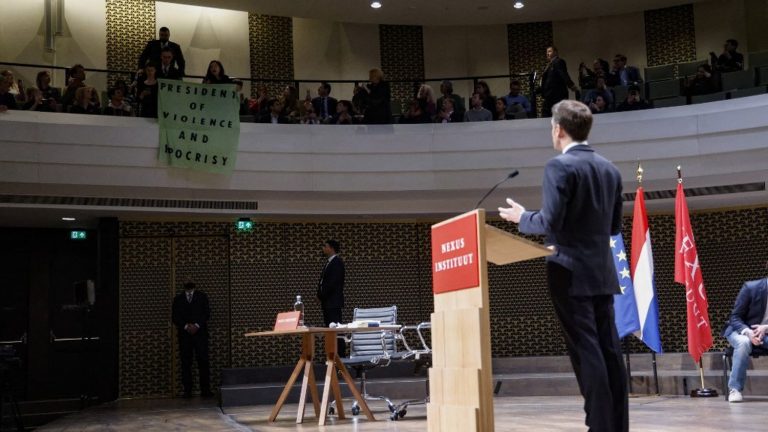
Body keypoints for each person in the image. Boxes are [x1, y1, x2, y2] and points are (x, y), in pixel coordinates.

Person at [498, 100, 627, 432]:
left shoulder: (559, 167)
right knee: (609, 350)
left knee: (587, 351)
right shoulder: (611, 169)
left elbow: (550, 221)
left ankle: (599, 425)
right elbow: (614, 227)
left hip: (569, 273)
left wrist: (521, 217)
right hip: (602, 272)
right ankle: (616, 426)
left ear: (558, 129)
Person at [721, 266, 768, 403]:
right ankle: (735, 389)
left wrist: (765, 327)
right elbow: (734, 318)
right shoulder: (751, 288)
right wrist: (748, 332)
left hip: (765, 334)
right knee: (744, 342)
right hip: (740, 331)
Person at [171, 281, 212, 398]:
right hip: (185, 336)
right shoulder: (178, 299)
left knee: (203, 362)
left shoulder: (202, 296)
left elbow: (207, 314)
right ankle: (187, 390)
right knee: (186, 363)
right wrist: (186, 326)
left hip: (200, 335)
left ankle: (205, 390)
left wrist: (197, 325)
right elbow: (174, 317)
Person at [317, 239, 345, 356]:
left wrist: (322, 294)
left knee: (335, 329)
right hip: (328, 302)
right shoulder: (329, 263)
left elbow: (332, 283)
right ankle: (332, 355)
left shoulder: (337, 263)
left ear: (332, 248)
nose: (323, 248)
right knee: (330, 330)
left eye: (325, 246)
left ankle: (340, 356)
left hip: (333, 302)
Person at [540, 46, 577, 117]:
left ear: (556, 52)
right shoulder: (548, 65)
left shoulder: (559, 61)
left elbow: (563, 74)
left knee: (559, 115)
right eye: (547, 52)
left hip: (557, 94)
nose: (547, 53)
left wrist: (571, 85)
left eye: (550, 51)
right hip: (549, 95)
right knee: (547, 114)